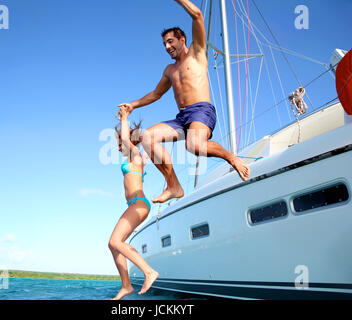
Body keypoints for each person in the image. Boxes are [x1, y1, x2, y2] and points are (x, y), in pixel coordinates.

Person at [118, 0, 250, 204]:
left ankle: (231, 157)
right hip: (182, 118)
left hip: (201, 111)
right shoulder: (169, 70)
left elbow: (197, 15)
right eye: (164, 44)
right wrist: (133, 104)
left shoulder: (197, 54)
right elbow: (155, 94)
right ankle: (173, 185)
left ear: (182, 39)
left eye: (171, 41)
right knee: (147, 137)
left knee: (194, 145)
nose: (167, 46)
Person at [108, 106, 158, 300]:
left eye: (120, 144)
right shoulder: (138, 158)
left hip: (139, 203)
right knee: (114, 245)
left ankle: (148, 272)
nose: (119, 147)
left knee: (115, 241)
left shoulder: (135, 154)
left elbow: (128, 139)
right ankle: (126, 286)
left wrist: (124, 117)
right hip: (135, 205)